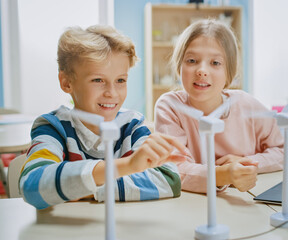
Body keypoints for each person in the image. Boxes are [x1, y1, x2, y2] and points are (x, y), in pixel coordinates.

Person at [20, 25, 187, 209]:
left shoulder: (132, 125)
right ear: (66, 82)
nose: (112, 93)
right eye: (98, 80)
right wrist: (128, 166)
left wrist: (88, 190)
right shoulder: (52, 127)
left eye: (121, 80)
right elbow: (33, 184)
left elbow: (169, 179)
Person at [154, 19, 288, 193]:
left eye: (215, 63)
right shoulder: (170, 106)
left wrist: (247, 163)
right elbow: (173, 168)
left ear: (229, 72)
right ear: (179, 66)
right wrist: (223, 175)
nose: (202, 70)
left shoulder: (247, 105)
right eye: (192, 60)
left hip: (247, 201)